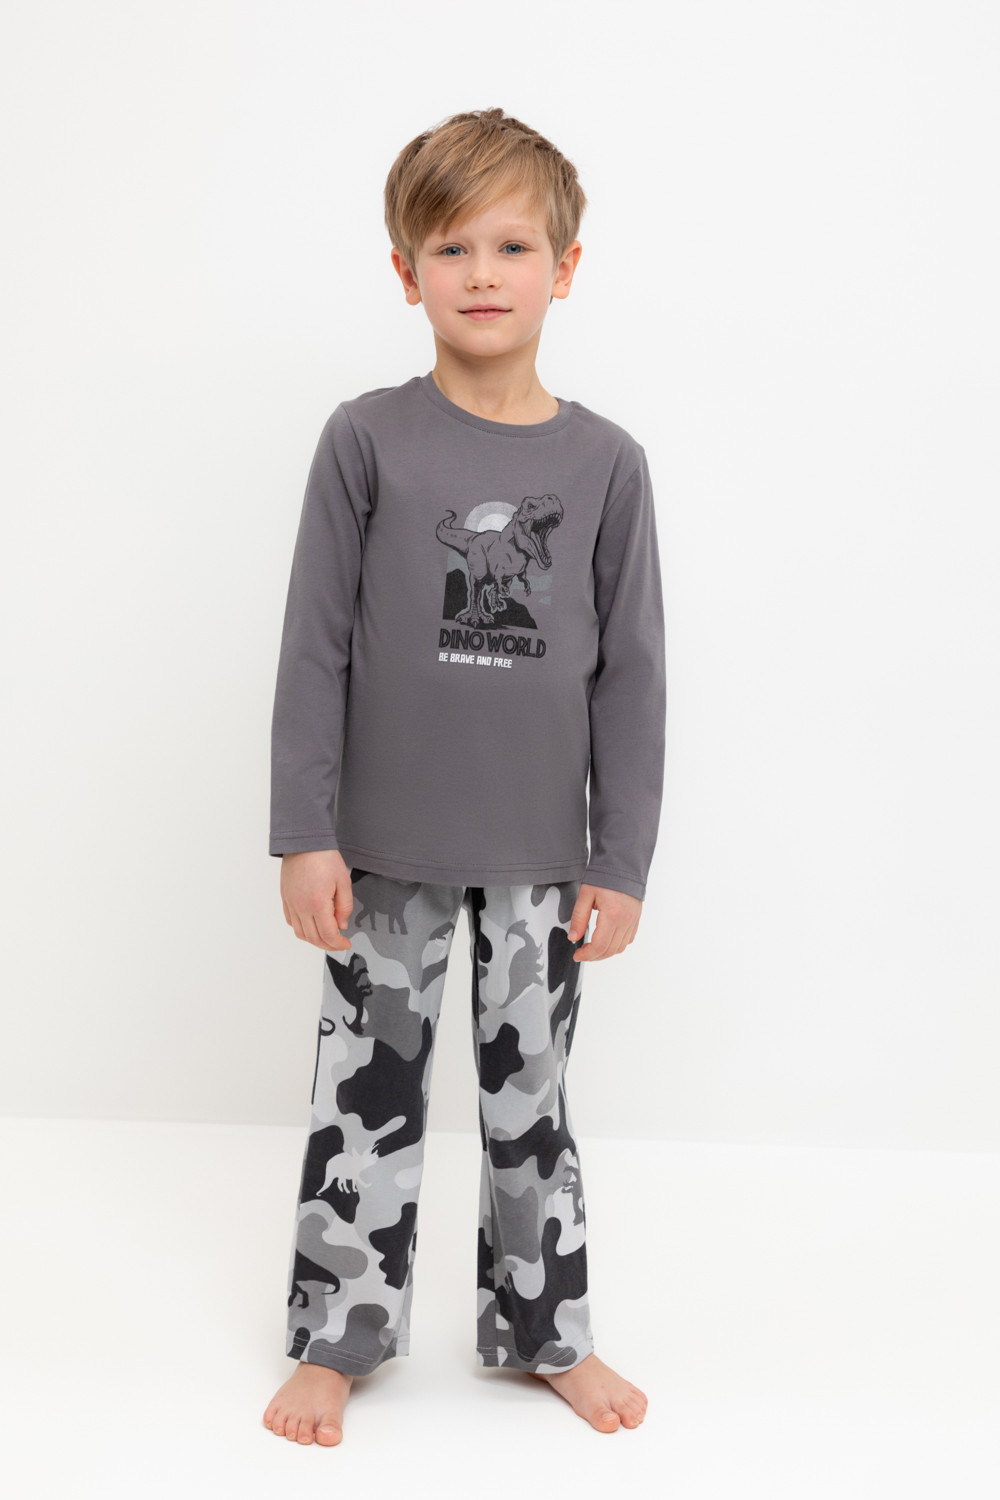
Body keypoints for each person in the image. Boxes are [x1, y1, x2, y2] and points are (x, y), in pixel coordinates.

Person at [262, 107, 665, 1446]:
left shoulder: (606, 466)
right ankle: (337, 1338)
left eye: (511, 245)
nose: (482, 273)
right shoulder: (365, 439)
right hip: (383, 851)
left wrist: (620, 860)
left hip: (544, 857)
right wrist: (304, 830)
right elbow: (315, 644)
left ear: (566, 266)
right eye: (450, 247)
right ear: (406, 272)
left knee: (530, 1105)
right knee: (364, 1102)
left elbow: (633, 676)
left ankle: (548, 1332)